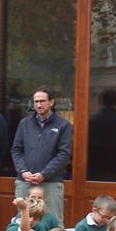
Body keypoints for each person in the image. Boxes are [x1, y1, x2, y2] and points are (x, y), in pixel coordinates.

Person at [11, 87, 73, 223]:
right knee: (23, 220)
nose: (39, 105)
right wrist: (23, 171)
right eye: (36, 101)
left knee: (54, 221)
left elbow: (64, 154)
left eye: (43, 101)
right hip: (25, 181)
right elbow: (16, 150)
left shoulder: (64, 125)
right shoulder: (24, 124)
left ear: (51, 102)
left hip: (51, 182)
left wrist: (43, 174)